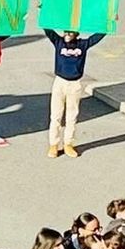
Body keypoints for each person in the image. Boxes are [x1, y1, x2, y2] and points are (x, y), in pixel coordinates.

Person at [43, 30, 104, 159]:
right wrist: (41, 10)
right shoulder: (58, 42)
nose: (67, 35)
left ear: (76, 34)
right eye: (66, 32)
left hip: (75, 84)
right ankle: (53, 144)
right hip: (59, 82)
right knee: (56, 115)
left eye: (70, 33)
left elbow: (97, 36)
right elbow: (47, 29)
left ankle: (68, 144)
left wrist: (109, 21)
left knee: (72, 116)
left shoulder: (83, 44)